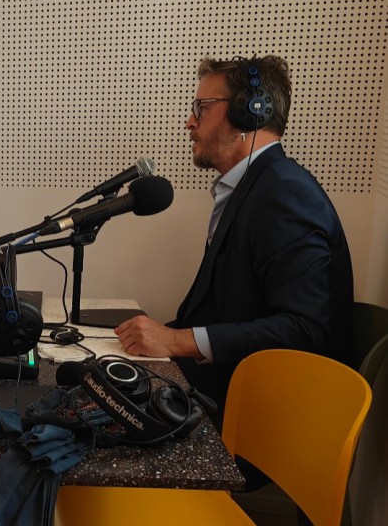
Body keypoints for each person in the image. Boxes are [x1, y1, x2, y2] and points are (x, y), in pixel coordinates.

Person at [114, 55, 354, 423]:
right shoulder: (254, 188)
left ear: (249, 111)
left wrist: (177, 341)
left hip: (265, 419)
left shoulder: (285, 195)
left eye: (202, 107)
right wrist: (147, 339)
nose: (190, 121)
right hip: (231, 392)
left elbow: (305, 330)